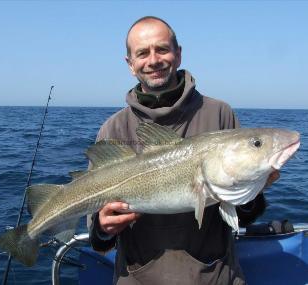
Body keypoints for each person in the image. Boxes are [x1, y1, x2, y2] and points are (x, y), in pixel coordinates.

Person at [89, 16, 277, 285]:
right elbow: (99, 238)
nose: (153, 60)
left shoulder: (219, 114)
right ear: (131, 64)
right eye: (142, 53)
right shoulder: (113, 129)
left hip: (216, 277)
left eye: (162, 49)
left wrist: (251, 189)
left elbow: (245, 213)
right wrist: (102, 228)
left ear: (178, 54)